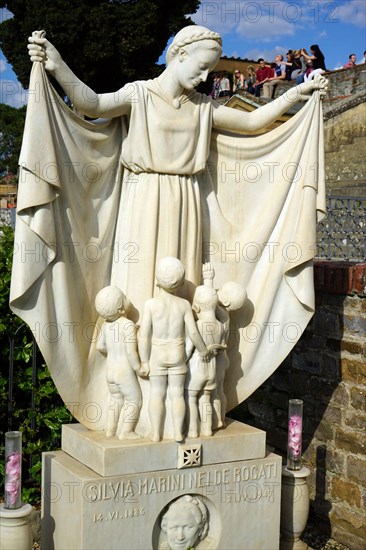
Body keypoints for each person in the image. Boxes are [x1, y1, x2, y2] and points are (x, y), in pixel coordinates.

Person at [16, 25, 328, 436]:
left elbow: (252, 125)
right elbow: (91, 103)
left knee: (185, 290)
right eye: (201, 68)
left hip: (187, 203)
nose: (205, 77)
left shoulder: (203, 107)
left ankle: (180, 395)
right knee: (142, 286)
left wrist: (295, 96)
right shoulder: (140, 94)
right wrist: (57, 66)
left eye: (210, 70)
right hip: (144, 200)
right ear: (179, 55)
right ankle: (139, 402)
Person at [138, 257, 210, 442]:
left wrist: (144, 361)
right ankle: (178, 432)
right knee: (177, 394)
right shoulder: (184, 305)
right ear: (181, 283)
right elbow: (193, 333)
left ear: (157, 281)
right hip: (177, 354)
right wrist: (202, 350)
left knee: (157, 394)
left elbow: (144, 335)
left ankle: (156, 433)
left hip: (157, 355)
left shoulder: (151, 305)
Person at [95, 286, 143, 439]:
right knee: (134, 400)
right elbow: (130, 352)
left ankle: (110, 430)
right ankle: (127, 431)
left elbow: (100, 346)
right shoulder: (127, 325)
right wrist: (138, 368)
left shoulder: (106, 325)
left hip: (111, 372)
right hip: (124, 373)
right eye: (125, 297)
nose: (128, 299)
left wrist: (112, 350)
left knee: (115, 400)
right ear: (121, 310)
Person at [185, 283, 226, 438]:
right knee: (206, 399)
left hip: (197, 368)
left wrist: (181, 361)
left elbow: (189, 348)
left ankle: (193, 430)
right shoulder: (220, 326)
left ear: (197, 307)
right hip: (212, 369)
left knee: (191, 399)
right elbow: (221, 346)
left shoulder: (197, 325)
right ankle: (207, 429)